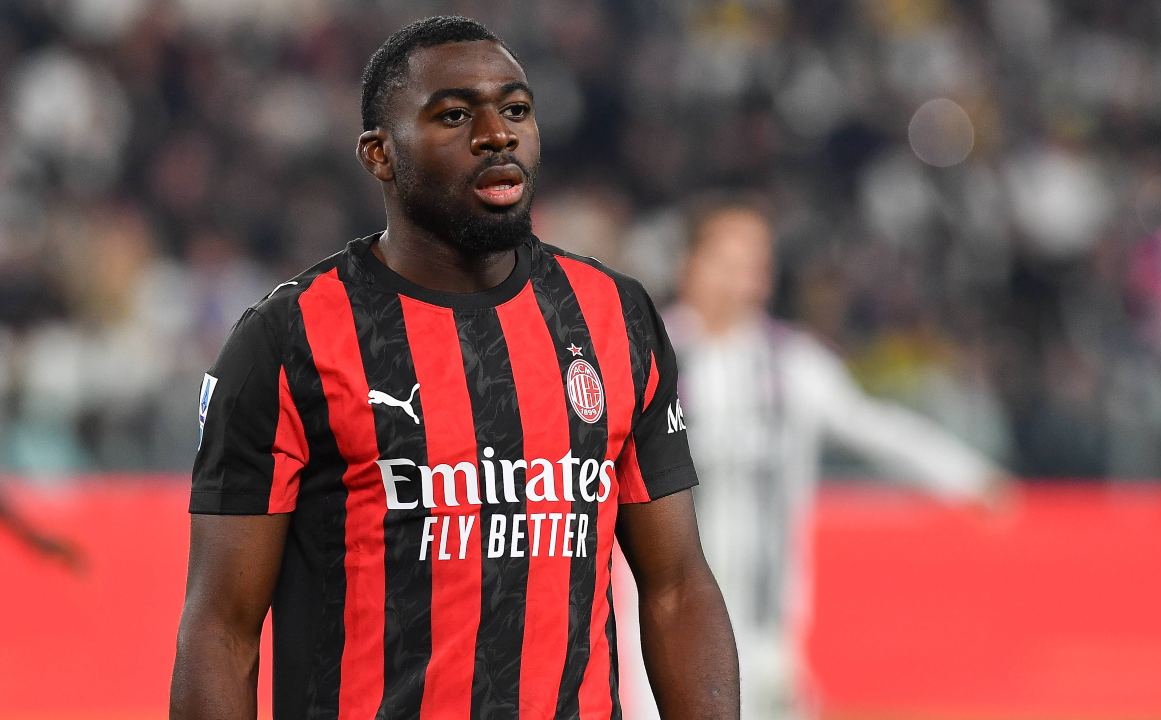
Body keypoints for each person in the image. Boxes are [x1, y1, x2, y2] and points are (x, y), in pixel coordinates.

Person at [170, 17, 738, 720]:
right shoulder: (289, 340)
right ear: (380, 154)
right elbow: (221, 630)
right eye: (454, 115)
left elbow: (678, 587)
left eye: (516, 109)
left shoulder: (615, 318)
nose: (497, 134)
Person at [618, 201, 1006, 720]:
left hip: (766, 628)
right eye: (727, 261)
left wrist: (969, 477)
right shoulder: (641, 355)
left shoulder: (793, 365)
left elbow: (876, 428)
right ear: (691, 265)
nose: (741, 279)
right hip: (660, 624)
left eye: (754, 265)